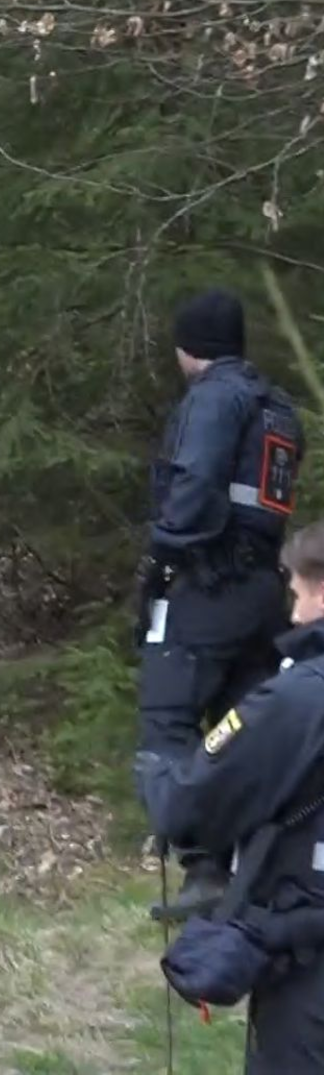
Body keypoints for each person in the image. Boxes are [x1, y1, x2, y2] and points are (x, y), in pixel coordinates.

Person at [137, 288, 305, 921]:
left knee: (168, 720)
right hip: (266, 589)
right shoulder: (278, 409)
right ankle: (258, 862)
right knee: (243, 724)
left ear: (190, 349)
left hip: (209, 585)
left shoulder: (212, 399)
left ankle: (201, 864)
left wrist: (162, 560)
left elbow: (195, 489)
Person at [135, 519, 324, 1074]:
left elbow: (194, 803)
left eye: (299, 593)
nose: (292, 614)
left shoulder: (299, 700)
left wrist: (159, 766)